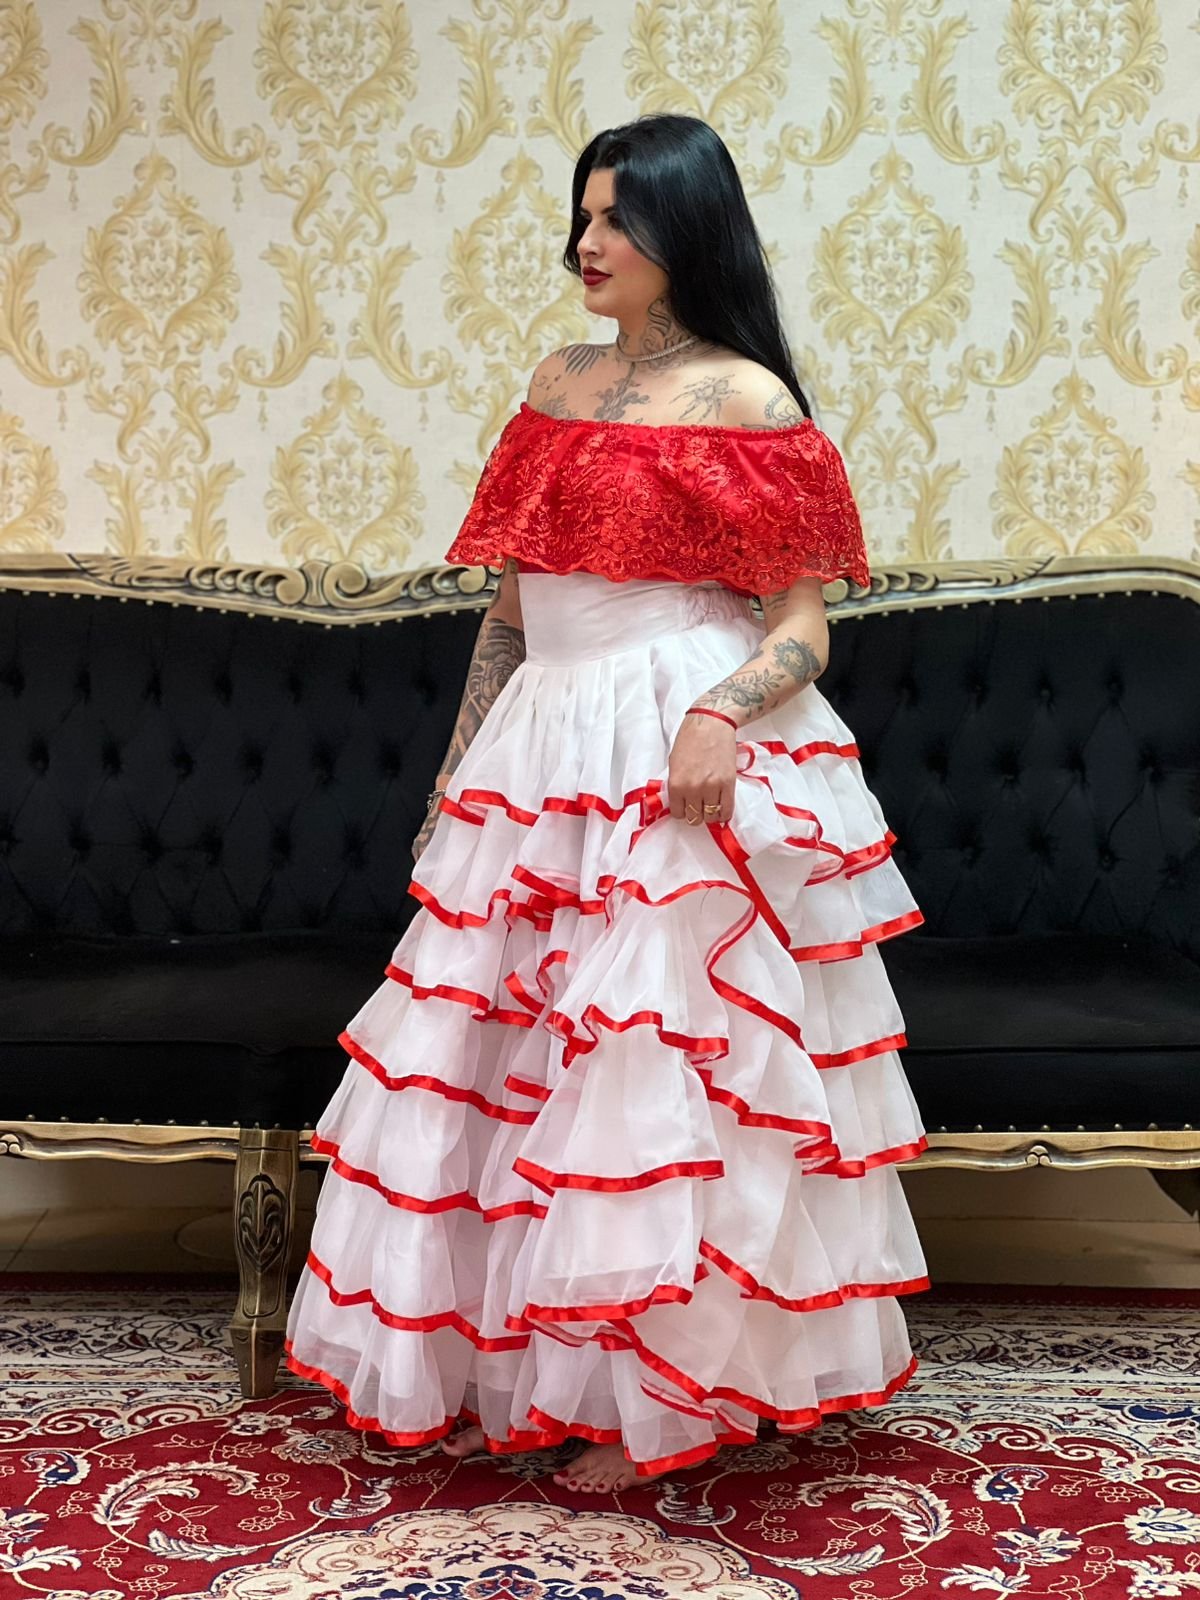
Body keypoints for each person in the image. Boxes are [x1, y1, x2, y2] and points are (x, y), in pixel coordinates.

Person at [284, 113, 929, 1496]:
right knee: (509, 1060)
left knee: (654, 1067)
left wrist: (719, 713)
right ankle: (524, 1370)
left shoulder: (749, 401)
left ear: (684, 231)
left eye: (615, 220)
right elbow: (509, 615)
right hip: (544, 740)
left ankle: (656, 1402)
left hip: (676, 737)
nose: (586, 244)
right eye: (581, 217)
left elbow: (804, 628)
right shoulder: (556, 381)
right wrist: (456, 776)